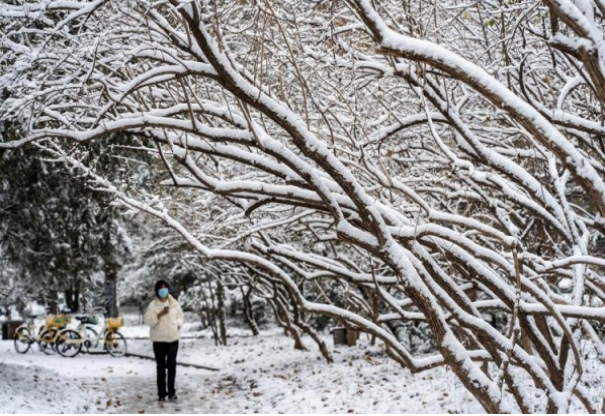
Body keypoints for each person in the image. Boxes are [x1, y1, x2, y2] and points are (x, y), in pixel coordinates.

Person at [144, 279, 184, 402]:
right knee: (160, 367)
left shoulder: (174, 304)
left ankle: (172, 392)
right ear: (157, 291)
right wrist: (159, 315)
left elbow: (180, 316)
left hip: (173, 339)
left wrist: (178, 325)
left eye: (165, 287)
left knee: (172, 366)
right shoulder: (153, 305)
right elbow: (148, 321)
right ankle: (162, 393)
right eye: (160, 288)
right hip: (159, 340)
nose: (163, 290)